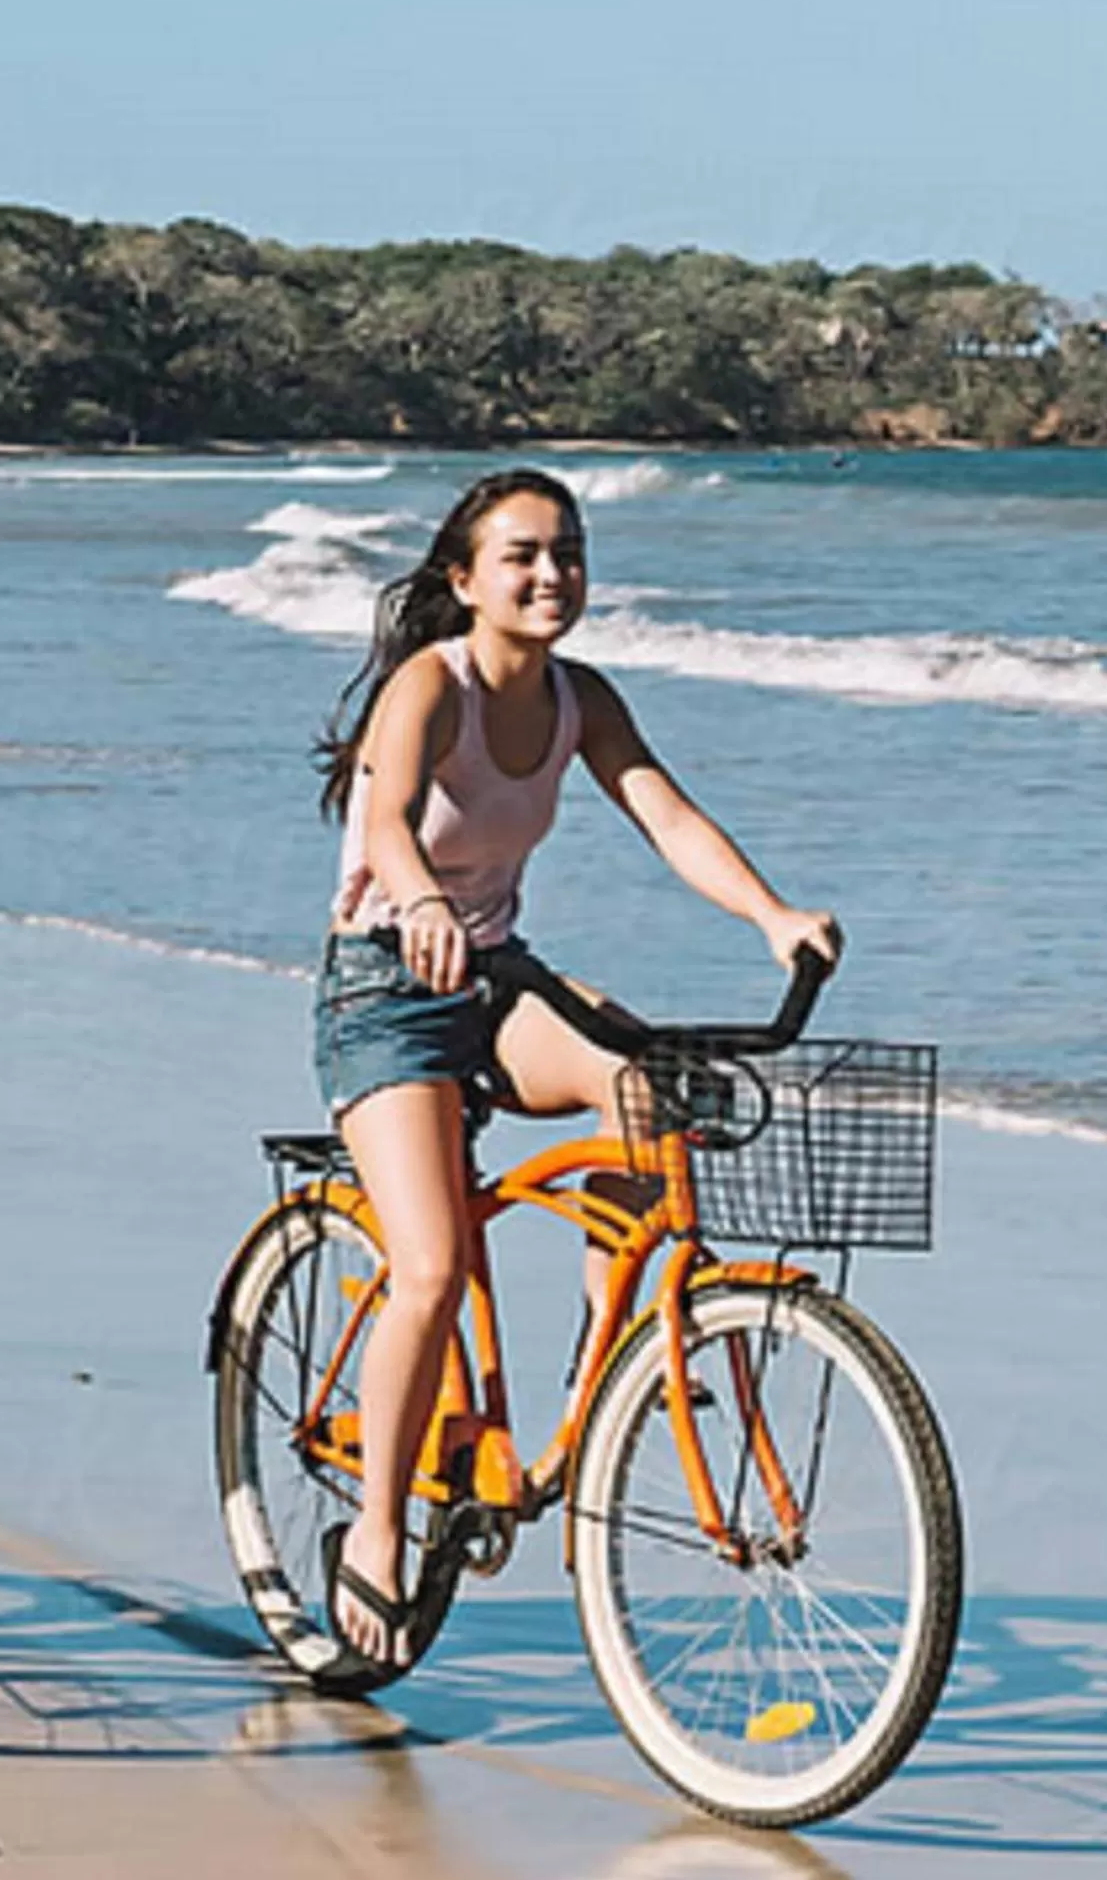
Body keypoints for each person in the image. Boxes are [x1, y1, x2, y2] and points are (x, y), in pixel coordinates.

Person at [311, 467, 837, 1668]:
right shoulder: (426, 688)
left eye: (569, 554)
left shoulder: (577, 698)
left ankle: (620, 1355)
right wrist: (417, 901)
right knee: (432, 1266)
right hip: (385, 991)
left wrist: (768, 915)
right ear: (465, 580)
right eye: (522, 556)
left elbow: (667, 815)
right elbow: (387, 816)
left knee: (649, 1089)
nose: (551, 576)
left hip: (498, 983)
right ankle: (377, 1532)